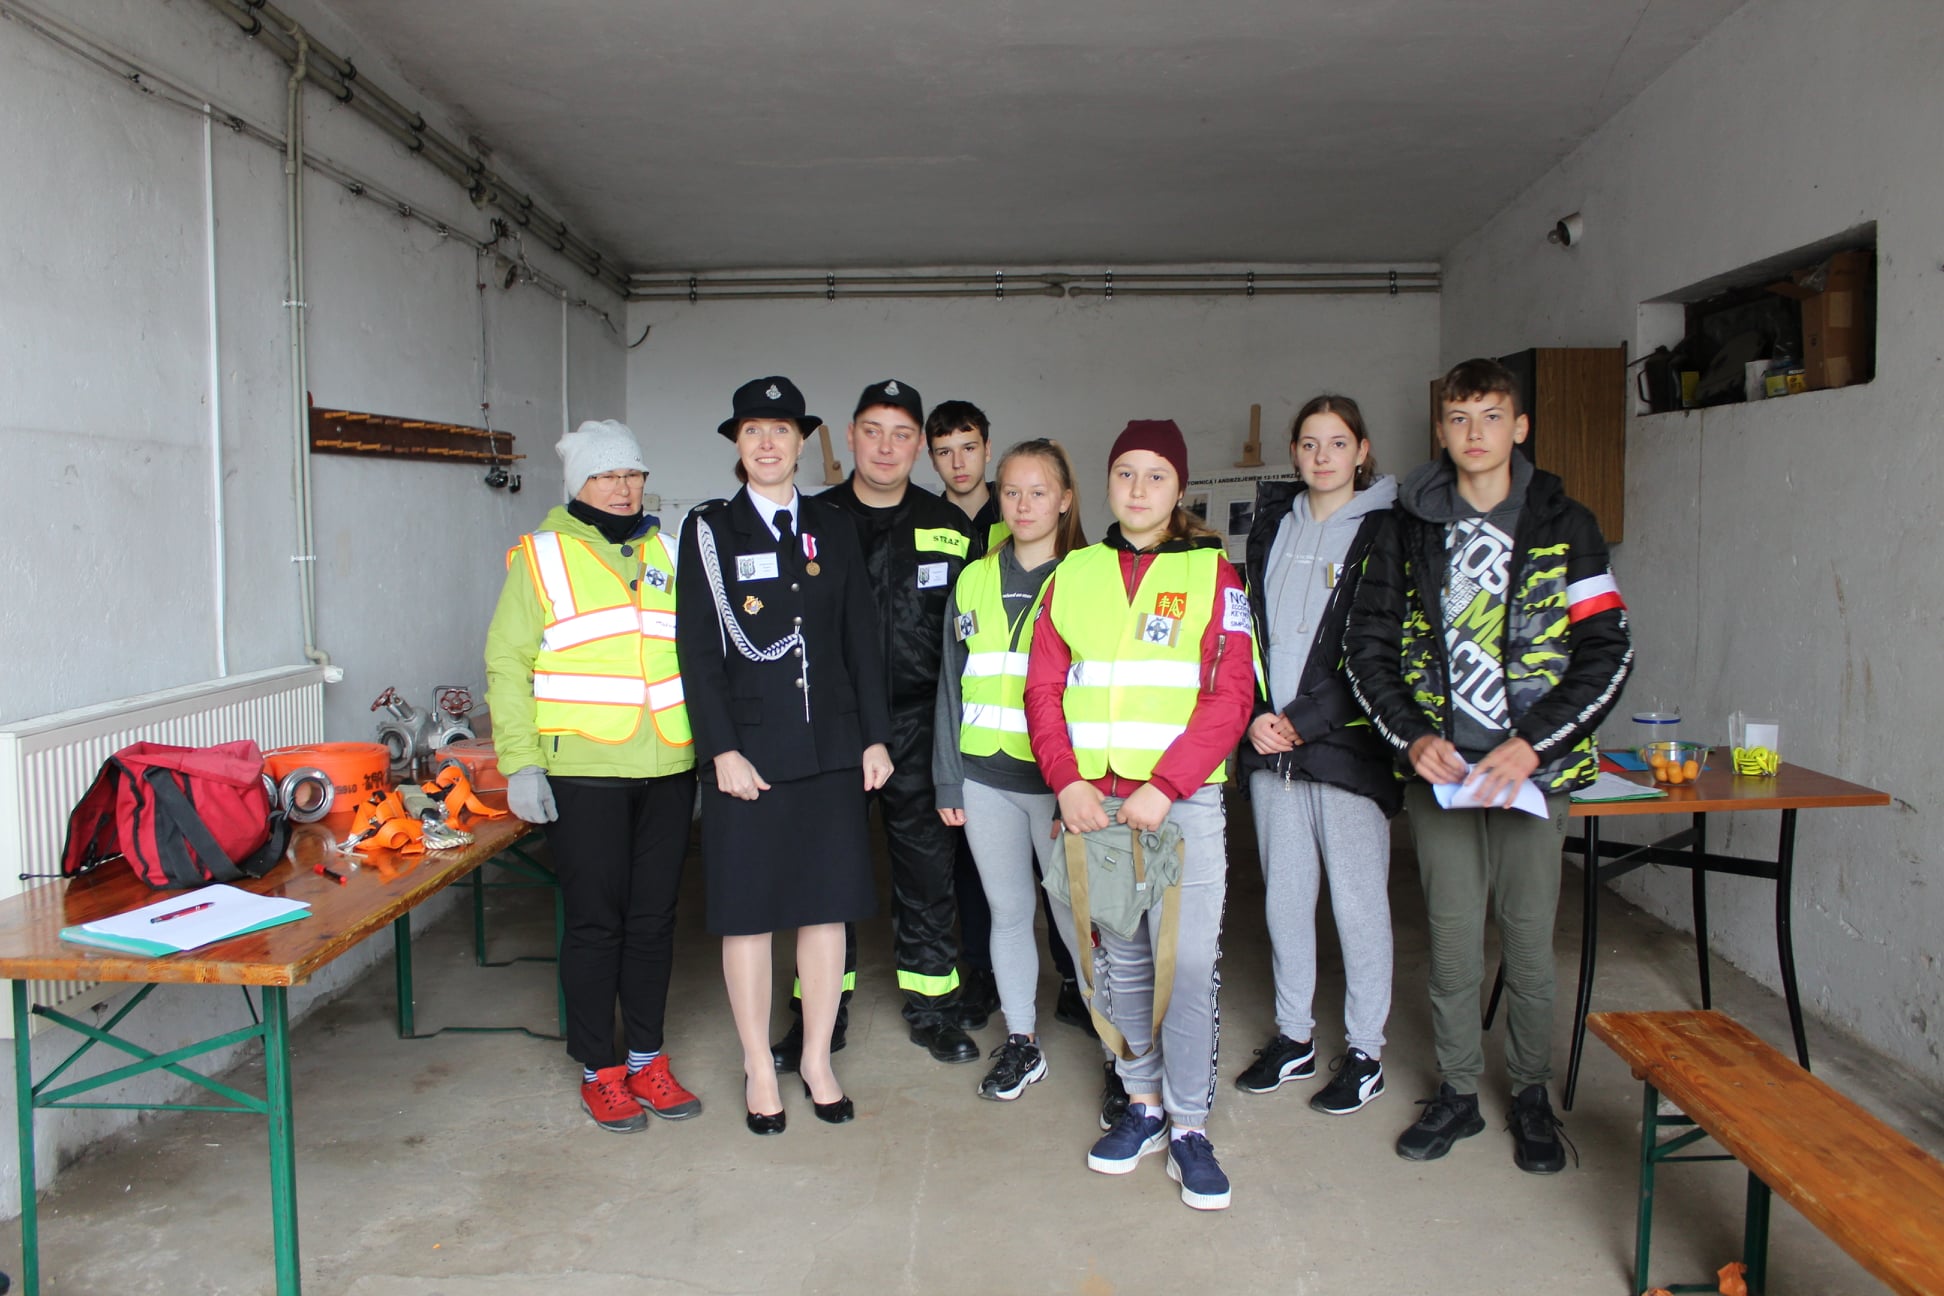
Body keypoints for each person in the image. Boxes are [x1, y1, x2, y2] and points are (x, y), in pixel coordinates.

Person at [1344, 358, 1632, 1174]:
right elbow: (1366, 647)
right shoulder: (1403, 527)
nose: (1475, 433)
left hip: (1531, 776)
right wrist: (1410, 738)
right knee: (1451, 942)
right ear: (1441, 429)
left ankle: (1531, 1095)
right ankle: (1459, 1091)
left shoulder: (1565, 523)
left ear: (1520, 427)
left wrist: (1534, 743)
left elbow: (1607, 649)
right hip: (1442, 776)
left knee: (1530, 945)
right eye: (1460, 418)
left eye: (1491, 416)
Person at [1024, 419, 1255, 1211]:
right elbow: (1043, 689)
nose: (1139, 488)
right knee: (1119, 962)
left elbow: (1231, 695)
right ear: (1107, 482)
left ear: (1179, 488)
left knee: (1183, 966)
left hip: (1180, 805)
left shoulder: (1213, 574)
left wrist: (1167, 784)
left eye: (1156, 475)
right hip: (1096, 804)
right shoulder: (1074, 573)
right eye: (1125, 472)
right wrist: (1066, 783)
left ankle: (1190, 1126)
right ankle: (1143, 1105)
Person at [676, 376, 894, 1135]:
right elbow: (697, 651)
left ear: (802, 442)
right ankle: (758, 1066)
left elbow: (859, 637)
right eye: (752, 432)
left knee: (824, 911)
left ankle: (815, 1059)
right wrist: (721, 750)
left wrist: (874, 735)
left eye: (780, 431)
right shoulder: (710, 530)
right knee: (749, 916)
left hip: (831, 748)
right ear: (738, 445)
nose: (767, 444)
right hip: (751, 757)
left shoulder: (832, 526)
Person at [484, 418, 700, 1133]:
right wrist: (520, 763)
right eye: (606, 475)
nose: (621, 487)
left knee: (654, 922)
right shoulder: (541, 557)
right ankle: (598, 1069)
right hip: (583, 770)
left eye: (632, 473)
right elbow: (507, 664)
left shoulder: (670, 549)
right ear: (579, 483)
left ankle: (646, 1059)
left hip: (668, 764)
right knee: (595, 924)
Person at [779, 379, 980, 1068]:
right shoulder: (811, 519)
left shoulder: (950, 527)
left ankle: (934, 1009)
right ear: (850, 435)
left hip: (920, 721)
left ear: (919, 445)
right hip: (831, 726)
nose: (886, 448)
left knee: (927, 873)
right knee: (823, 878)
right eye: (872, 431)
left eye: (901, 435)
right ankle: (817, 1019)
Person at [1233, 395, 1401, 1115]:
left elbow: (1380, 645)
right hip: (1271, 748)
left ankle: (1365, 1053)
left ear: (1362, 451)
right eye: (1309, 443)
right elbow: (1247, 636)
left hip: (1345, 748)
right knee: (1285, 902)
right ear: (1294, 452)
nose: (1322, 456)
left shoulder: (1388, 529)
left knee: (1359, 907)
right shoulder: (1272, 525)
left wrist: (1302, 721)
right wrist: (1253, 717)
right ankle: (1294, 1036)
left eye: (1337, 442)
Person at [934, 439, 1090, 1101]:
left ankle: (1122, 1058)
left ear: (1065, 500)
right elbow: (951, 685)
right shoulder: (972, 577)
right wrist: (947, 775)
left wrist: (1081, 787)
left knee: (1077, 919)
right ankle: (1023, 1042)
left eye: (1038, 492)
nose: (1023, 505)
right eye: (1011, 492)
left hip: (1060, 787)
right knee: (1007, 911)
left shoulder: (1088, 578)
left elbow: (1099, 694)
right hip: (983, 779)